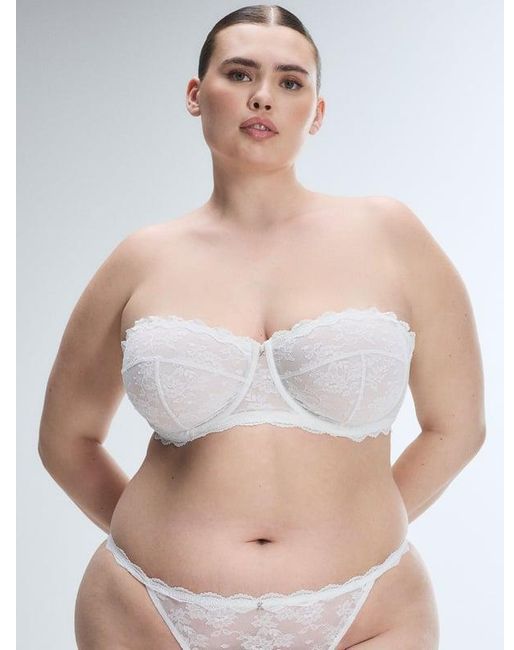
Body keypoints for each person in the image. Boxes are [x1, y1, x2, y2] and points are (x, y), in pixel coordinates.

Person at [38, 5, 486, 649]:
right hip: (145, 608)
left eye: (290, 81)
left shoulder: (390, 235)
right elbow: (66, 440)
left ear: (317, 112)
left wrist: (360, 531)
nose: (263, 97)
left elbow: (457, 427)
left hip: (368, 609)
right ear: (196, 95)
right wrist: (158, 542)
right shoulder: (140, 259)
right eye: (239, 73)